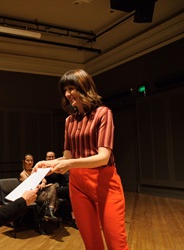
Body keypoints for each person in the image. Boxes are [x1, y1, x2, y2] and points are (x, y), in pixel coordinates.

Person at [34, 69, 129, 250]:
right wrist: (48, 164)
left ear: (84, 87)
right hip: (78, 184)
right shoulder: (69, 121)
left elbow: (103, 157)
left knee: (116, 243)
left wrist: (68, 164)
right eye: (65, 90)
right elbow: (68, 156)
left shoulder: (103, 113)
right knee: (91, 243)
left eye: (71, 88)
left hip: (105, 183)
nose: (68, 94)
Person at [19, 154, 58, 221]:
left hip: (41, 192)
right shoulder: (23, 174)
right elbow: (31, 184)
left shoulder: (35, 170)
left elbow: (44, 180)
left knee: (53, 186)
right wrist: (42, 186)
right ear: (24, 162)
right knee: (54, 197)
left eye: (31, 160)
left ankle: (49, 210)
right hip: (33, 195)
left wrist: (43, 184)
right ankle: (48, 213)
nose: (30, 162)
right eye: (28, 160)